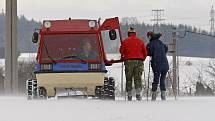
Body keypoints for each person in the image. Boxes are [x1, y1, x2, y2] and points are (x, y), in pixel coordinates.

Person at [120, 27, 147, 101]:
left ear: (128, 33)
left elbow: (121, 51)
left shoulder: (125, 41)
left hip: (128, 61)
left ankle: (129, 95)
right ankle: (138, 94)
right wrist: (142, 59)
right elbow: (145, 53)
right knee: (138, 78)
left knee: (129, 78)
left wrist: (124, 56)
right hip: (139, 61)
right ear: (135, 33)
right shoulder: (140, 41)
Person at [146, 31, 169, 101]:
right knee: (162, 80)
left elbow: (148, 52)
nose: (148, 38)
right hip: (165, 64)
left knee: (156, 80)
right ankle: (163, 96)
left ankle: (154, 96)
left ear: (150, 36)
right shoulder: (161, 42)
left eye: (148, 36)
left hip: (157, 64)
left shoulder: (151, 44)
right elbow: (166, 49)